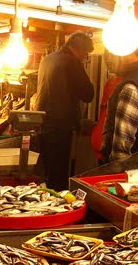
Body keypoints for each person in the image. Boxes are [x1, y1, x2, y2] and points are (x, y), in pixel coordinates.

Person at [35, 31, 95, 190]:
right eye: (86, 54)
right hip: (60, 127)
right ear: (80, 49)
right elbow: (88, 93)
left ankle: (45, 205)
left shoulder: (47, 59)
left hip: (43, 124)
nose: (85, 57)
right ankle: (56, 210)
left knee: (47, 172)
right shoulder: (71, 62)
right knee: (59, 176)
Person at [91, 51, 123, 165]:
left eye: (112, 56)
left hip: (108, 148)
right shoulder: (111, 83)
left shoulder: (123, 84)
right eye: (106, 56)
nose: (108, 60)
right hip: (104, 147)